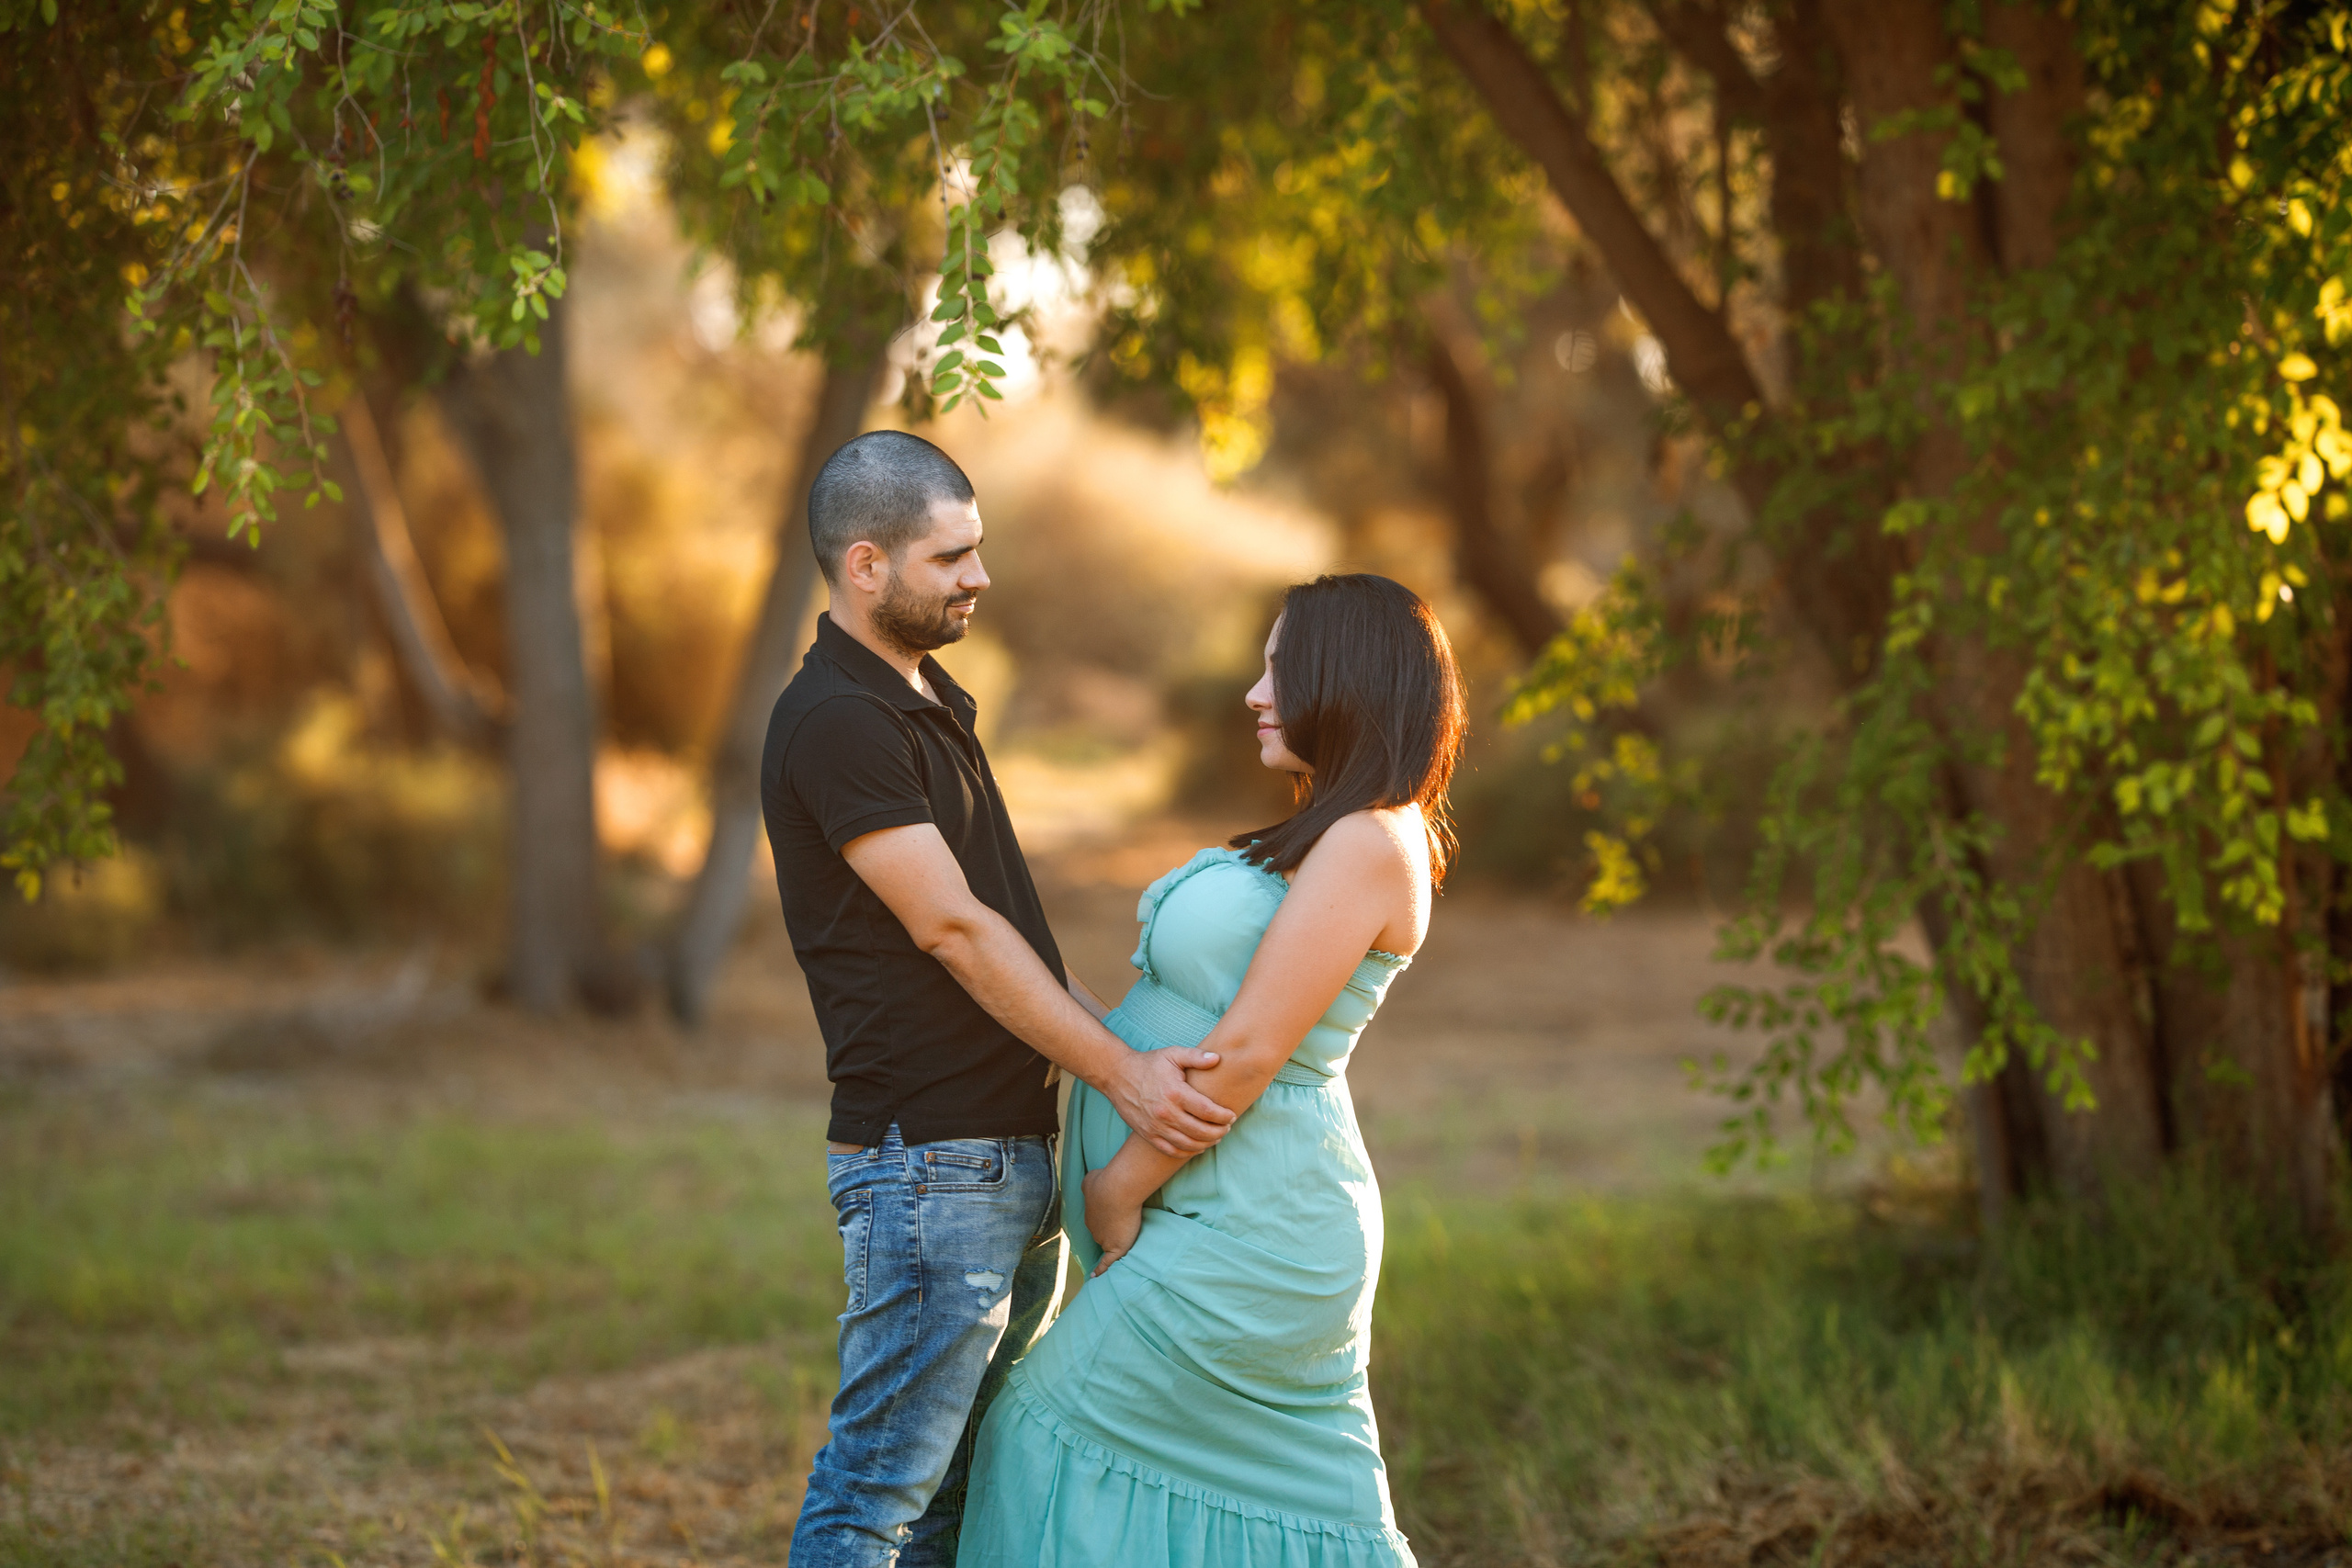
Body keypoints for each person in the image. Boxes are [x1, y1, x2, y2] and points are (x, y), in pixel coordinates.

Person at [761, 430, 1238, 1568]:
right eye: (950, 557)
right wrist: (1123, 1075)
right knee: (876, 1493)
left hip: (1001, 1154)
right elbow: (954, 931)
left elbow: (1009, 932)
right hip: (929, 1163)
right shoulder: (839, 720)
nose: (979, 575)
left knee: (959, 1497)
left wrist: (1121, 1053)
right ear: (865, 565)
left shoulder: (926, 699)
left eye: (976, 549)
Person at [957, 572, 1466, 1567]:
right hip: (1205, 1205)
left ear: (1345, 677)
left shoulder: (1372, 839)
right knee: (1114, 1469)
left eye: (1280, 668)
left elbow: (1247, 1053)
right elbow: (1163, 1018)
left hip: (1251, 1228)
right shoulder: (1333, 831)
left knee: (1042, 1434)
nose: (1254, 693)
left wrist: (1114, 1191)